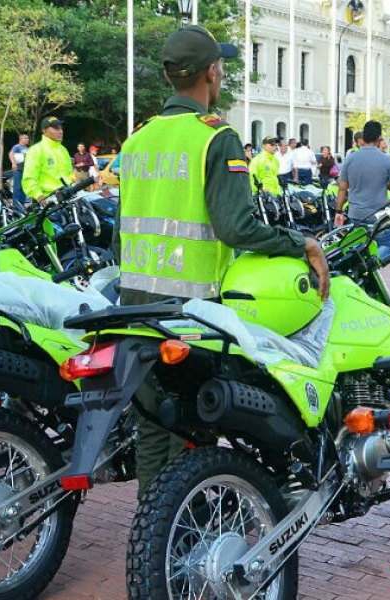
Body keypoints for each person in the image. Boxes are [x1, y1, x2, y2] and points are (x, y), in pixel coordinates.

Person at [115, 25, 329, 495]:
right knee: (196, 431)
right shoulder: (216, 138)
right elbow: (237, 228)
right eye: (222, 64)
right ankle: (184, 537)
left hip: (134, 305)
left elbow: (119, 235)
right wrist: (302, 244)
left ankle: (154, 533)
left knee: (153, 427)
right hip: (192, 312)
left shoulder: (138, 140)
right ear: (211, 73)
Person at [333, 120, 390, 260]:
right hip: (380, 215)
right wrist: (384, 182)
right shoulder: (386, 159)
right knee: (387, 246)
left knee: (358, 250)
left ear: (363, 137)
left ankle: (363, 270)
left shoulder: (350, 159)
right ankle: (372, 265)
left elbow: (342, 188)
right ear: (379, 138)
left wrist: (338, 211)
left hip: (356, 214)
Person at [22, 116, 72, 204]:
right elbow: (28, 179)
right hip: (48, 201)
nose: (60, 131)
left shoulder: (63, 150)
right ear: (45, 131)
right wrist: (38, 195)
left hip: (67, 196)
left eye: (61, 128)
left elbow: (69, 174)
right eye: (56, 128)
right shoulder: (35, 150)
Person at [9, 134, 30, 205]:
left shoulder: (27, 148)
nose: (28, 139)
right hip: (18, 170)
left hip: (25, 170)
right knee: (17, 187)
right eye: (26, 138)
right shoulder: (17, 147)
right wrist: (13, 163)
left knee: (23, 188)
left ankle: (22, 204)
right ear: (21, 139)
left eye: (28, 138)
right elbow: (11, 154)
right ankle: (16, 205)